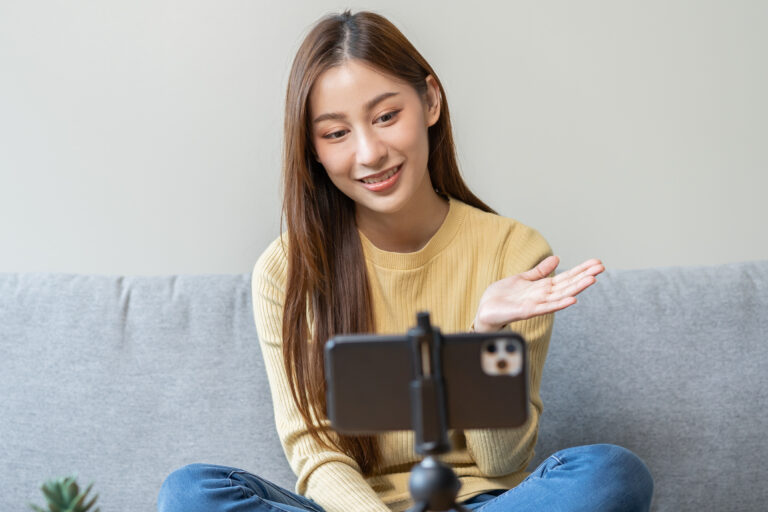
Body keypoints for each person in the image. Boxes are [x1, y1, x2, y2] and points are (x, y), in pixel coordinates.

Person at [158, 9, 654, 512]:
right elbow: (317, 454)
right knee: (191, 493)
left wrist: (484, 339)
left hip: (480, 503)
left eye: (386, 117)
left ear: (430, 101)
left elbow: (503, 463)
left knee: (611, 473)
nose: (369, 152)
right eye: (336, 134)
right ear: (312, 148)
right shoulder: (288, 268)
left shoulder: (514, 252)